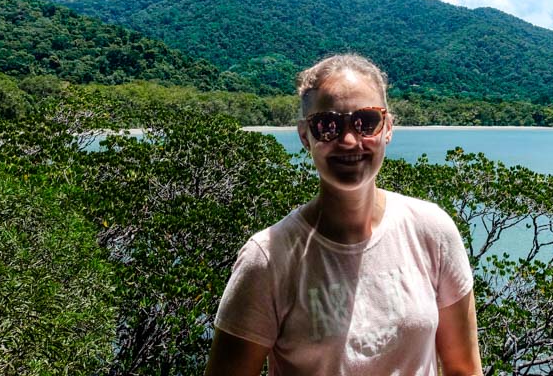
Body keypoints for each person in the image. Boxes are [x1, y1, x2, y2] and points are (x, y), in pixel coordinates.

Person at [205, 53, 481, 376]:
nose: (350, 140)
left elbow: (463, 368)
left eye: (367, 122)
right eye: (328, 125)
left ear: (388, 128)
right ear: (305, 136)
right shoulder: (268, 260)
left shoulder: (432, 232)